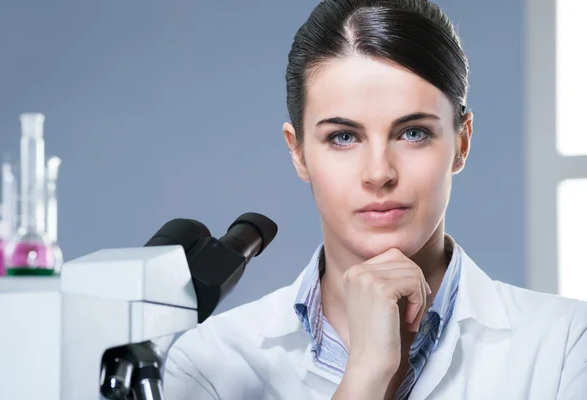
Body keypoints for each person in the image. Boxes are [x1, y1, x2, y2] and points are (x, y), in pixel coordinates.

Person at [163, 1, 587, 399]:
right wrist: (366, 377)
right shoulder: (210, 365)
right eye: (343, 137)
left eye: (413, 133)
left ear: (461, 142)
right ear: (299, 152)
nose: (379, 172)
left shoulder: (566, 342)